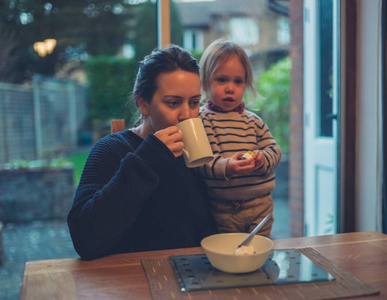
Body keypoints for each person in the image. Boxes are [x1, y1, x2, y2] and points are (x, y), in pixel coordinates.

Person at [67, 46, 217, 260]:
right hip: (132, 281)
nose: (187, 115)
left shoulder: (192, 154)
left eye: (194, 103)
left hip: (189, 277)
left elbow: (204, 229)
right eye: (173, 103)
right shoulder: (111, 150)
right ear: (143, 104)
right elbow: (84, 240)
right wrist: (148, 159)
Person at [197, 39, 281, 238]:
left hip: (261, 204)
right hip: (223, 209)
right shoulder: (201, 120)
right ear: (204, 83)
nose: (230, 88)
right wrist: (226, 166)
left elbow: (274, 150)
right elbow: (200, 161)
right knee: (228, 254)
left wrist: (262, 159)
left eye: (238, 81)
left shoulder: (253, 121)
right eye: (221, 80)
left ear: (246, 85)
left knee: (259, 252)